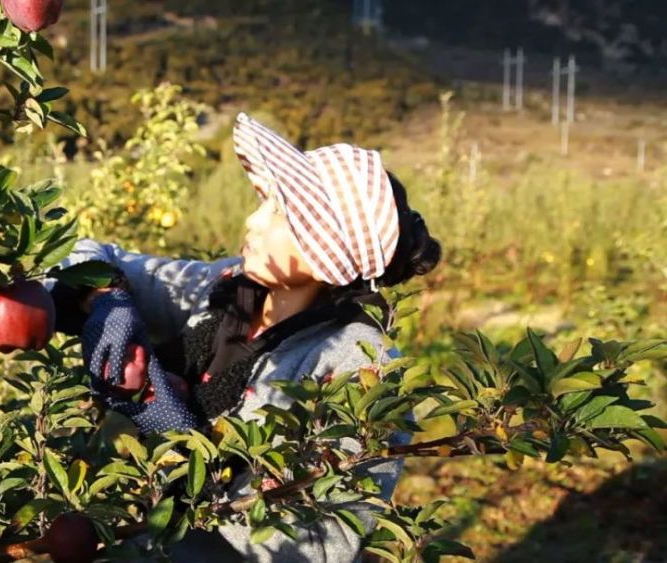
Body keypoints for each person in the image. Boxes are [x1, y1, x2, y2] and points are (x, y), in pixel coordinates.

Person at [45, 113, 442, 562]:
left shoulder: (361, 367)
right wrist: (106, 296)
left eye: (278, 212)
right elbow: (86, 252)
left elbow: (317, 545)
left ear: (325, 248)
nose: (253, 220)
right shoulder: (228, 289)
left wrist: (193, 451)